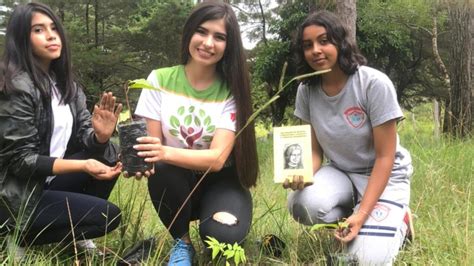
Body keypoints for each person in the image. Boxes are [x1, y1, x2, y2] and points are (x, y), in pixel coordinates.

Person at [133, 1, 258, 265]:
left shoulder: (231, 90)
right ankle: (182, 243)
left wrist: (162, 150)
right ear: (189, 33)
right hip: (175, 182)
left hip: (221, 182)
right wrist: (138, 161)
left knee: (222, 239)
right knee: (162, 166)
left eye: (219, 37)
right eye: (202, 32)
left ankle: (217, 216)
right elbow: (152, 150)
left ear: (229, 45)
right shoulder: (158, 80)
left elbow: (217, 160)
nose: (208, 43)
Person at [284, 10, 414, 265]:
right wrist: (301, 173)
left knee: (362, 261)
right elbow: (313, 151)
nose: (316, 50)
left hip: (384, 174)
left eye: (324, 41)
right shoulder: (306, 89)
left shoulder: (373, 83)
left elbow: (385, 156)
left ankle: (401, 222)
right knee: (302, 203)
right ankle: (355, 216)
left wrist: (364, 213)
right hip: (341, 173)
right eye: (307, 45)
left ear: (340, 43)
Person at [0, 2, 122, 258]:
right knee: (107, 217)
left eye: (54, 28)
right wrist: (82, 165)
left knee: (110, 154)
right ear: (22, 38)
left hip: (45, 185)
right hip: (16, 195)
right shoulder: (16, 86)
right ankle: (16, 235)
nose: (51, 35)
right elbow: (21, 161)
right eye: (38, 30)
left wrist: (100, 136)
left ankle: (72, 235)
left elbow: (84, 136)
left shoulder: (67, 86)